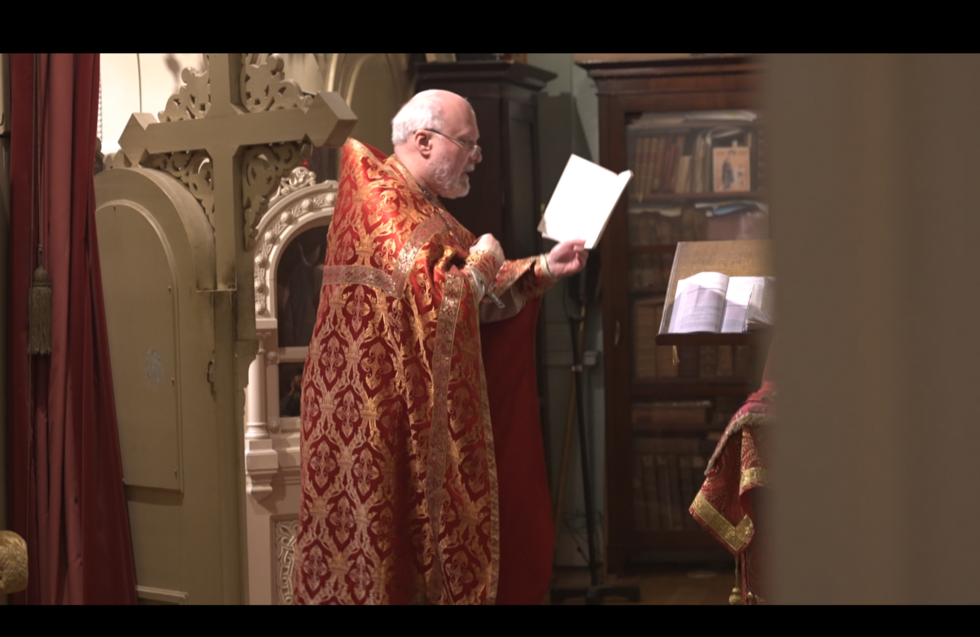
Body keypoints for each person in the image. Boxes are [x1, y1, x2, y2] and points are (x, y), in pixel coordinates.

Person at [293, 90, 588, 605]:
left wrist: (541, 267)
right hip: (376, 425)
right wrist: (484, 257)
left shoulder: (417, 202)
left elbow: (462, 295)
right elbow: (444, 296)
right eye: (468, 143)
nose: (477, 156)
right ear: (424, 142)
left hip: (403, 413)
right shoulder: (381, 205)